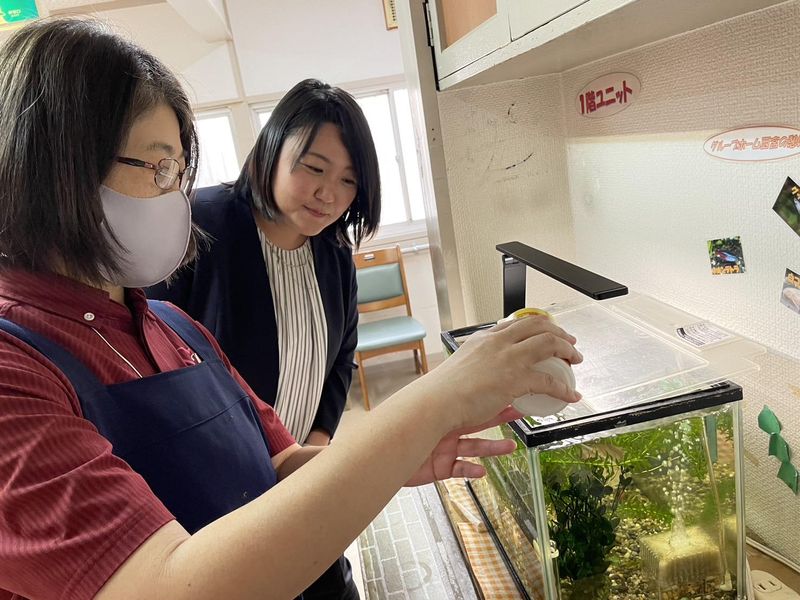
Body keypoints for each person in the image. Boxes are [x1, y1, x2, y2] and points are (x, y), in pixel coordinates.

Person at [0, 18, 583, 600]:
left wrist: (389, 455)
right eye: (157, 167)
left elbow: (279, 460)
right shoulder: (16, 368)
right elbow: (164, 584)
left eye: (176, 170)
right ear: (53, 165)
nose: (175, 196)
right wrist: (434, 400)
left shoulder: (173, 326)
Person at [147, 73, 378, 600]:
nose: (329, 194)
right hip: (218, 498)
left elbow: (341, 358)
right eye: (314, 168)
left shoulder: (333, 252)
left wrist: (315, 447)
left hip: (300, 482)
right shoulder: (199, 225)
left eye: (348, 180)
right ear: (271, 149)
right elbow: (152, 359)